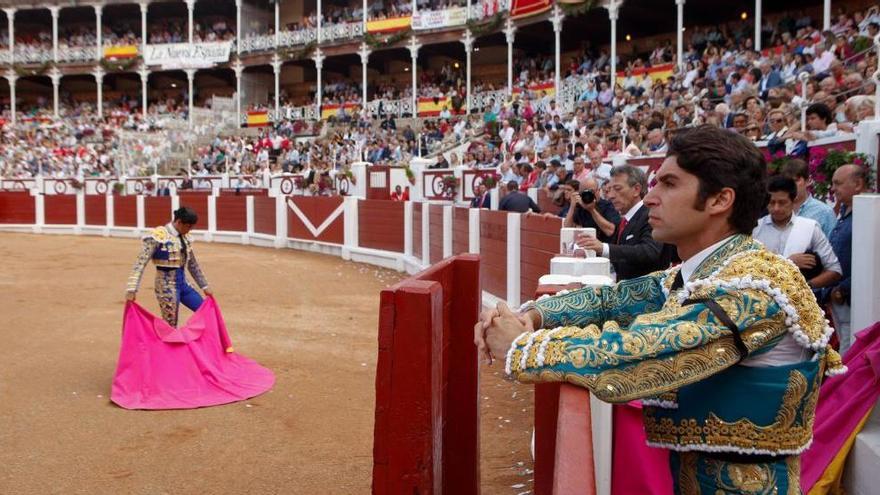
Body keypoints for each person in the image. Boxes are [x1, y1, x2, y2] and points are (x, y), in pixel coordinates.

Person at [476, 125, 844, 494]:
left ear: (719, 200)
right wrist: (534, 316)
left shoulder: (752, 285)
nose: (650, 197)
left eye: (668, 184)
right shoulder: (711, 270)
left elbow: (641, 352)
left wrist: (523, 346)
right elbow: (613, 299)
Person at [576, 165, 669, 280]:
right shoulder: (627, 219)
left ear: (636, 189)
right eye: (609, 190)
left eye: (618, 189)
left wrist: (603, 248)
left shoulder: (650, 215)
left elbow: (649, 251)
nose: (610, 196)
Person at [126, 207, 212, 327]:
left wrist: (204, 285)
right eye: (188, 226)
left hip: (183, 284)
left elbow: (192, 264)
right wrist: (131, 289)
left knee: (205, 312)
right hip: (165, 286)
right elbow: (140, 264)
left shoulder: (185, 237)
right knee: (170, 324)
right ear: (179, 222)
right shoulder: (157, 236)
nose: (189, 230)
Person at [752, 176, 841, 290]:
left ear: (794, 201)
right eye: (772, 203)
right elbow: (745, 268)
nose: (776, 208)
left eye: (782, 203)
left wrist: (805, 288)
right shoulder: (755, 229)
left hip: (799, 302)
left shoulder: (810, 228)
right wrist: (788, 262)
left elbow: (834, 270)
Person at [824, 164, 867, 353]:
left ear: (857, 184)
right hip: (838, 295)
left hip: (851, 296)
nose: (833, 188)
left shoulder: (867, 214)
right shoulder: (845, 212)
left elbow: (868, 260)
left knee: (849, 350)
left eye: (838, 183)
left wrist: (844, 287)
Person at [779, 159, 837, 238]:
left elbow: (832, 246)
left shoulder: (824, 212)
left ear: (808, 181)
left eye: (796, 181)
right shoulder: (777, 210)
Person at [562, 177, 619, 242]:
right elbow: (567, 228)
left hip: (604, 248)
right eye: (584, 193)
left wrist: (591, 210)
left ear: (598, 191)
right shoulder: (580, 207)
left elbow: (610, 231)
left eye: (591, 191)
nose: (588, 195)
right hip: (587, 247)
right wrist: (572, 206)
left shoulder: (608, 206)